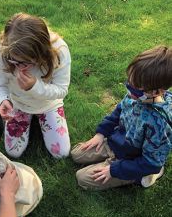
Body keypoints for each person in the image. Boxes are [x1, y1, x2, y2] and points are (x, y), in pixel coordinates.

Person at [71, 45, 172, 190]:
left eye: (134, 87)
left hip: (132, 160)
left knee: (82, 178)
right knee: (76, 153)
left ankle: (144, 177)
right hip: (115, 144)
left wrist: (114, 170)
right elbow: (117, 113)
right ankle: (111, 156)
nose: (128, 89)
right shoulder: (136, 96)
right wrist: (100, 135)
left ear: (157, 91)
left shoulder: (159, 124)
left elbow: (151, 163)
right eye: (129, 82)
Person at [0, 12, 71, 159]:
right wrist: (3, 100)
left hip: (48, 104)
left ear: (41, 53)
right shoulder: (0, 54)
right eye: (15, 61)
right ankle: (27, 117)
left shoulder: (59, 51)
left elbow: (62, 90)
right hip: (19, 104)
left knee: (61, 153)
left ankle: (44, 116)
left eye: (27, 62)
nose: (20, 67)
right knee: (13, 152)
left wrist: (34, 87)